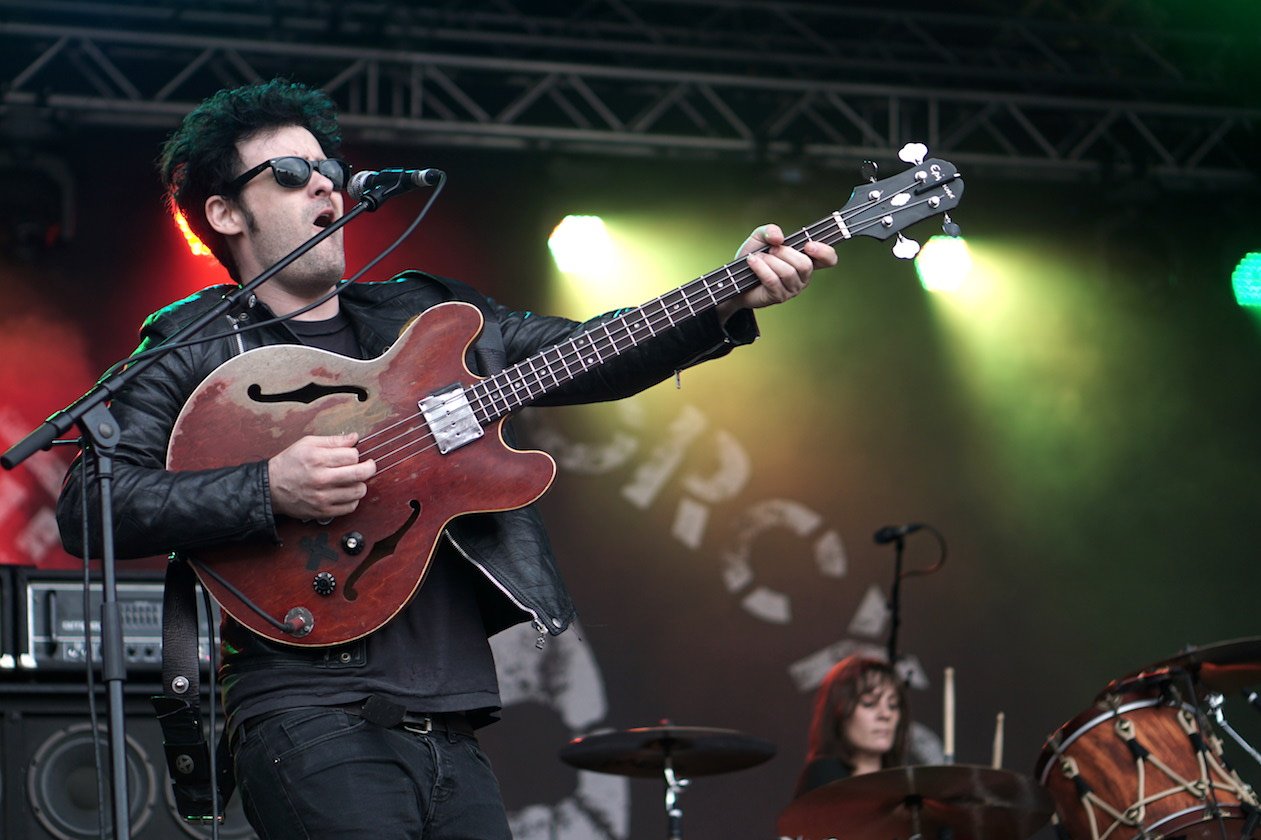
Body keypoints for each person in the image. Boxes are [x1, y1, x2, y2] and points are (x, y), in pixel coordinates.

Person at [56, 78, 837, 839]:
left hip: (451, 722)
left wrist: (725, 300)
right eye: (290, 174)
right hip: (306, 713)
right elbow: (92, 504)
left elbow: (587, 351)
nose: (325, 187)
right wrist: (266, 487)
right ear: (224, 212)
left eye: (329, 170)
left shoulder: (425, 318)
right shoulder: (192, 340)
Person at [792, 655, 910, 799]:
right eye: (869, 703)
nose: (886, 714)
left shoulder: (908, 787)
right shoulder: (823, 775)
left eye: (893, 705)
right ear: (839, 711)